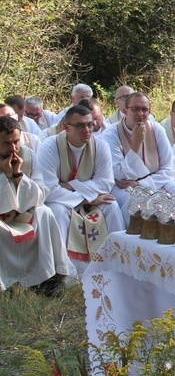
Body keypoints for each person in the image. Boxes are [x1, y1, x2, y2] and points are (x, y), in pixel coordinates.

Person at [39, 105, 124, 266]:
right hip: (63, 202)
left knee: (111, 205)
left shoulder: (100, 146)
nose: (86, 130)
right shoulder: (49, 147)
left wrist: (69, 185)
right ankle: (67, 269)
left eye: (90, 125)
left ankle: (115, 263)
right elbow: (48, 190)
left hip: (88, 198)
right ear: (66, 127)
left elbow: (105, 183)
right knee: (56, 211)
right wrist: (86, 199)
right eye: (79, 125)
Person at [0, 116, 72, 294]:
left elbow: (40, 193)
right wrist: (5, 178)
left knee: (45, 212)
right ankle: (6, 285)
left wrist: (17, 176)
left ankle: (50, 278)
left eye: (16, 141)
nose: (13, 148)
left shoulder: (28, 155)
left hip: (24, 212)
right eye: (6, 143)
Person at [101, 92, 175, 224]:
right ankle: (133, 242)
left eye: (144, 109)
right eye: (135, 109)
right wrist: (136, 145)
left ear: (149, 112)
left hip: (154, 181)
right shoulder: (110, 134)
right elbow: (119, 174)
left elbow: (169, 169)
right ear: (124, 111)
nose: (140, 114)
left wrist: (141, 184)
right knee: (134, 200)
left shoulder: (156, 129)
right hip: (124, 187)